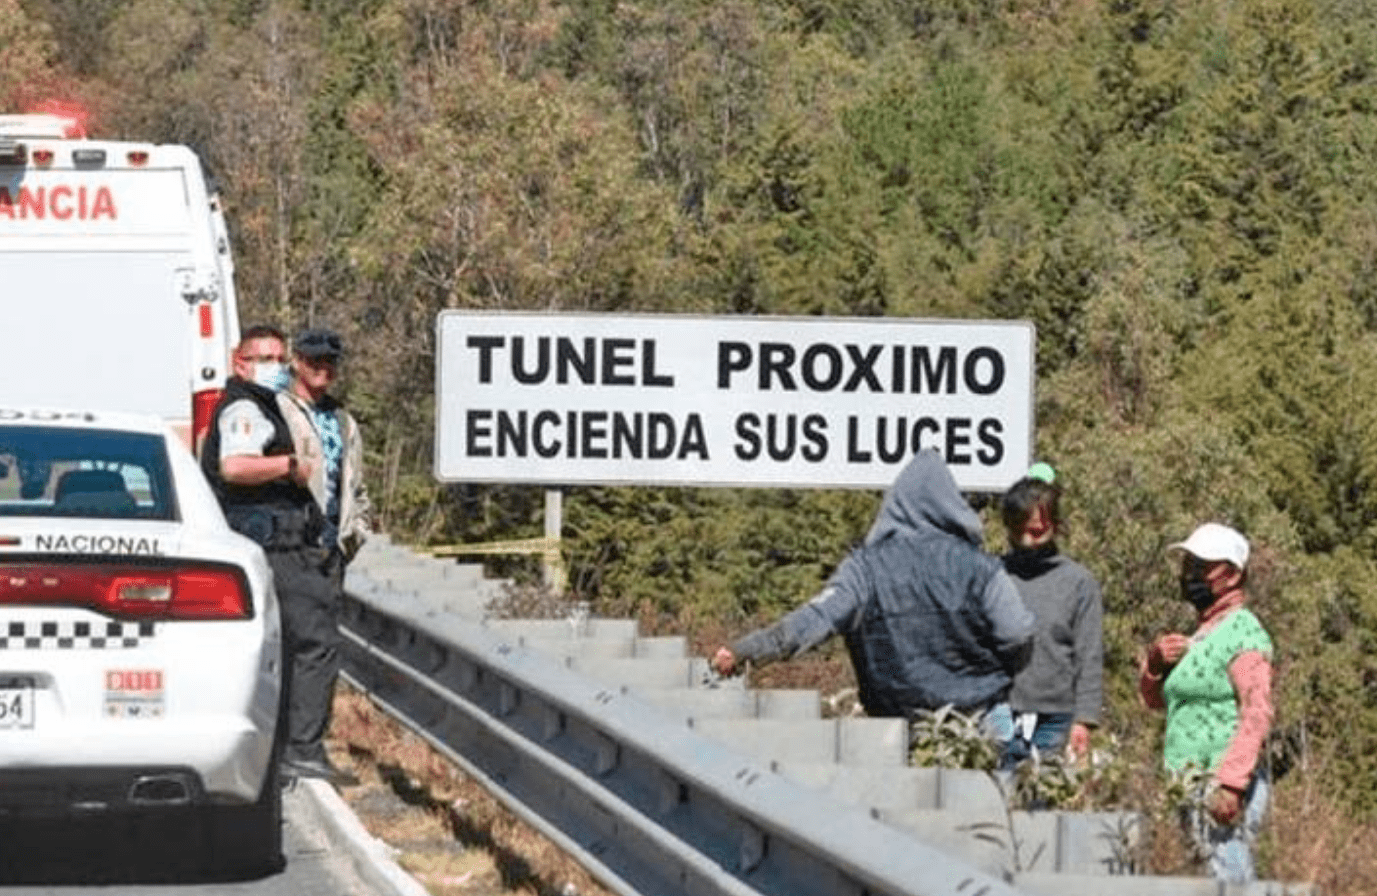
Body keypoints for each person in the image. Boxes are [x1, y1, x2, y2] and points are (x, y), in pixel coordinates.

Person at [711, 450, 1035, 741]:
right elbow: (1017, 632)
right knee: (995, 804)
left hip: (899, 728)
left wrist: (748, 650)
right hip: (982, 721)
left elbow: (816, 619)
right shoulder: (982, 568)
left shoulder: (864, 569)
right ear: (951, 505)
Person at [200, 324, 355, 783]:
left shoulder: (275, 405)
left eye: (277, 357)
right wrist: (290, 466)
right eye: (262, 358)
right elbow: (235, 465)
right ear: (239, 362)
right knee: (314, 643)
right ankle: (303, 750)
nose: (273, 366)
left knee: (285, 646)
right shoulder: (245, 406)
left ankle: (278, 746)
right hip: (277, 544)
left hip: (277, 542)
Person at [1139, 522, 1274, 883]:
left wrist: (1231, 784)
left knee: (1229, 877)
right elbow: (1156, 702)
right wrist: (1154, 665)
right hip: (1190, 782)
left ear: (1232, 575)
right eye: (1188, 565)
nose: (1190, 575)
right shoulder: (1199, 635)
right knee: (1206, 876)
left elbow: (1256, 711)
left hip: (1220, 781)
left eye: (1201, 566)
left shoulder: (1243, 631)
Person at [274, 327, 374, 778]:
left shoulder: (342, 420)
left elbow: (355, 483)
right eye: (314, 360)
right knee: (314, 646)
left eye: (330, 362)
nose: (323, 369)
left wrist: (357, 531)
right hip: (292, 545)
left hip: (330, 549)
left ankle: (296, 745)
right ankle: (302, 748)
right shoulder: (278, 410)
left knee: (314, 646)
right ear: (296, 361)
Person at [999, 464, 1103, 767]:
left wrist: (1084, 721)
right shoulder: (993, 576)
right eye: (1019, 531)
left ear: (1054, 525)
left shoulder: (1079, 583)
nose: (1027, 541)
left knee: (1044, 809)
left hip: (1056, 720)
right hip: (999, 713)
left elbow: (1089, 656)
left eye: (1036, 531)